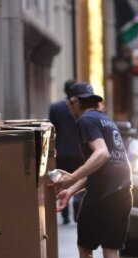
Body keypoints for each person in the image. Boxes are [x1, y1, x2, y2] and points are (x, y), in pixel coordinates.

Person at [53, 82, 133, 258]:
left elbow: (102, 155)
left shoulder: (86, 121)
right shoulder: (105, 120)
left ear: (76, 103)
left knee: (84, 247)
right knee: (111, 250)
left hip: (103, 196)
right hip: (122, 192)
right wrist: (72, 190)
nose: (69, 108)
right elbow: (103, 166)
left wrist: (71, 177)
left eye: (70, 104)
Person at [48, 79, 84, 224]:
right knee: (78, 177)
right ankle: (77, 202)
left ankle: (64, 214)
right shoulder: (81, 107)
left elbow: (52, 129)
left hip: (62, 150)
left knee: (62, 180)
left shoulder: (55, 108)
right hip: (79, 150)